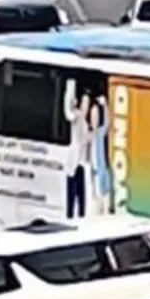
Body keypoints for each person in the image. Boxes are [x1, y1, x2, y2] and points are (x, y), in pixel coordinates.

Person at [62, 82, 92, 218]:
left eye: (88, 103)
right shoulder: (75, 116)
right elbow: (68, 110)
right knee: (71, 198)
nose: (86, 106)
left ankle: (81, 216)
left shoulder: (85, 122)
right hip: (73, 163)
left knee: (82, 199)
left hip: (81, 164)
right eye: (84, 102)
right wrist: (71, 85)